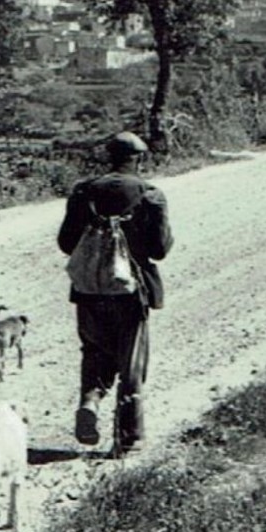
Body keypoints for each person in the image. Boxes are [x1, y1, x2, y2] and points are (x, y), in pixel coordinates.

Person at [56, 131, 174, 457]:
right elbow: (160, 249)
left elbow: (67, 243)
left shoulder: (83, 193)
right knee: (131, 362)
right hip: (130, 292)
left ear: (108, 157)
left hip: (90, 290)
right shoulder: (150, 194)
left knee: (94, 352)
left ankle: (90, 402)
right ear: (138, 159)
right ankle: (129, 438)